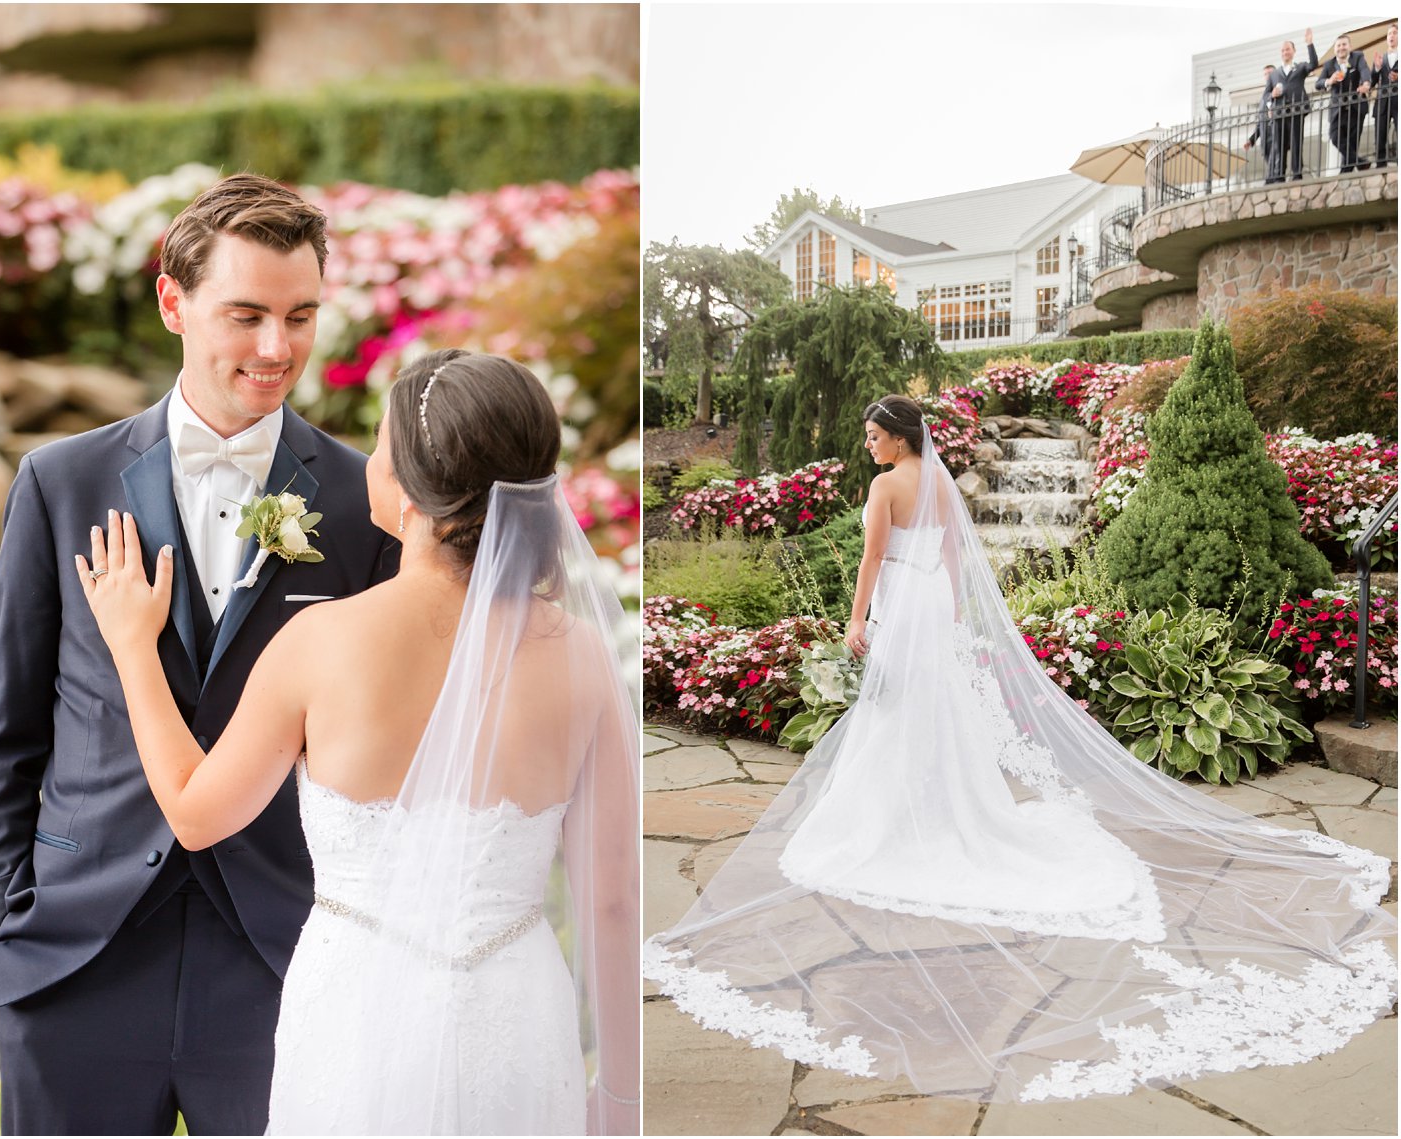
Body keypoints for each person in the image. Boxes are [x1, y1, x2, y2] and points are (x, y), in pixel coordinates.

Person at [643, 393, 1395, 1103]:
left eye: (874, 435)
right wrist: (952, 612)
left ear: (898, 437)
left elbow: (872, 560)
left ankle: (903, 819)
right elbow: (953, 562)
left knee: (897, 714)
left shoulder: (886, 487)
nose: (867, 445)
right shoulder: (937, 479)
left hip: (902, 603)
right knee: (932, 713)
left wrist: (857, 619)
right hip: (935, 604)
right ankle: (945, 804)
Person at [77, 348, 640, 1135]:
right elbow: (610, 900)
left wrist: (134, 646)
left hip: (355, 1007)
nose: (368, 457)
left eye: (380, 444)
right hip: (516, 1009)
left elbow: (197, 814)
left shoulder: (322, 641)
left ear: (411, 492)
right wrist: (620, 1088)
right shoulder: (582, 655)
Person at [0, 173, 398, 1134]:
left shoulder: (368, 504)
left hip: (280, 959)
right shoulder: (60, 482)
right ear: (173, 302)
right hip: (76, 958)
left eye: (301, 316)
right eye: (245, 315)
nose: (277, 349)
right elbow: (2, 733)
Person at [1264, 27, 1320, 182]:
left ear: (1293, 51)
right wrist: (1271, 98)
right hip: (1279, 113)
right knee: (1279, 144)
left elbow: (1314, 64)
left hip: (1296, 110)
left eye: (1287, 49)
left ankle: (1297, 173)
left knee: (1296, 143)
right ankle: (1280, 174)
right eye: (1282, 50)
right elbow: (1266, 95)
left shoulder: (1300, 67)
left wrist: (1310, 44)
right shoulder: (1274, 74)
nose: (1285, 52)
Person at [1315, 33, 1372, 173]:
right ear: (1335, 49)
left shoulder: (1357, 57)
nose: (1341, 48)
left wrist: (1366, 83)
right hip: (1337, 110)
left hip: (1355, 107)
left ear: (1350, 46)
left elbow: (1364, 70)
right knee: (1334, 136)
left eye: (1344, 44)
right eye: (1339, 45)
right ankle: (1360, 162)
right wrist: (1329, 81)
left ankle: (1345, 173)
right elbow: (1318, 83)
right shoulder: (1329, 64)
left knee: (1352, 143)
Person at [1244, 64, 1278, 174]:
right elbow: (1260, 122)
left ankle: (1273, 180)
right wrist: (1251, 140)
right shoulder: (1263, 98)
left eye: (1270, 73)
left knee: (1276, 163)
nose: (1268, 76)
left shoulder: (1280, 90)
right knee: (1270, 163)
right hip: (1265, 139)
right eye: (1265, 74)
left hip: (1277, 134)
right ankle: (1272, 180)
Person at [1372, 25, 1398, 168]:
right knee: (1380, 135)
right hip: (1382, 102)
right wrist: (1376, 68)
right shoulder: (1381, 58)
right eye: (1389, 33)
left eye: (1395, 33)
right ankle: (1380, 164)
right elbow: (1372, 81)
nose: (1391, 36)